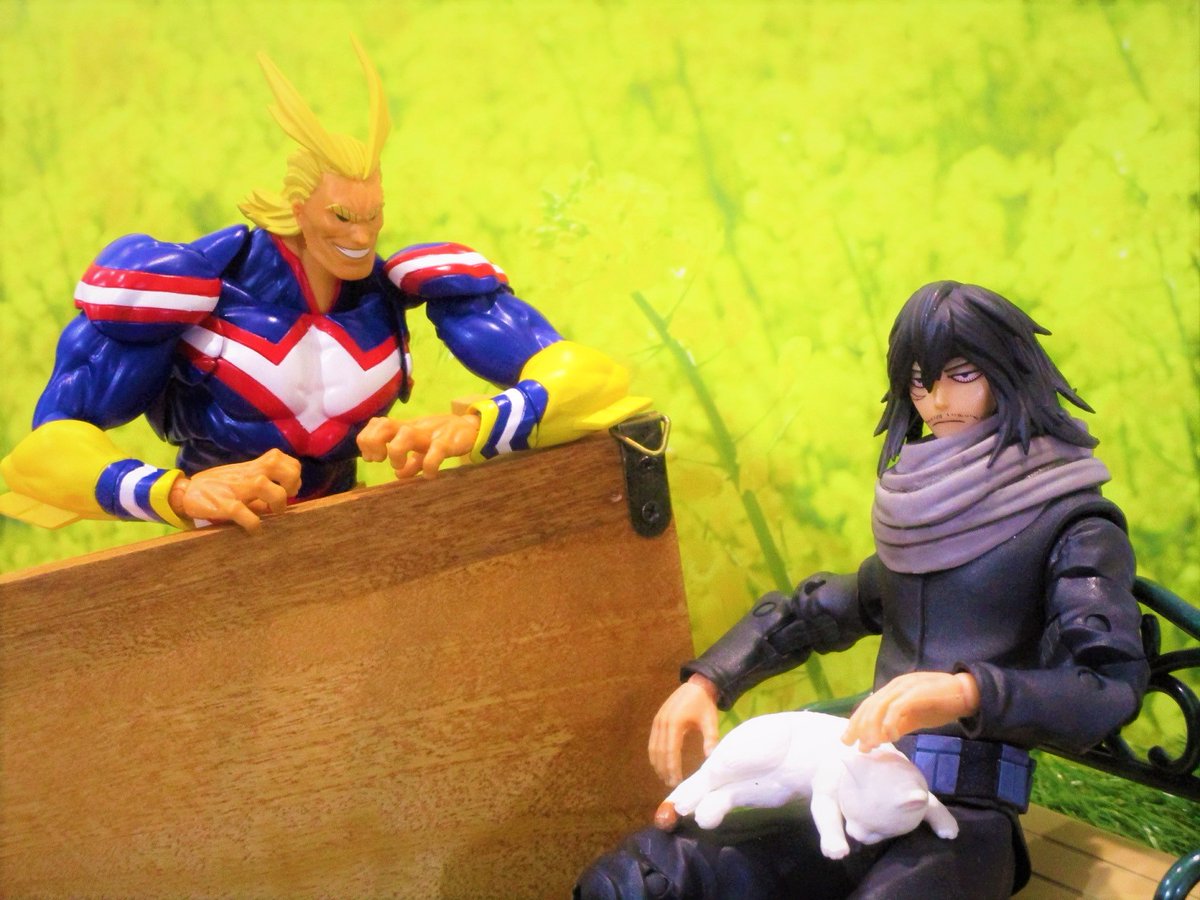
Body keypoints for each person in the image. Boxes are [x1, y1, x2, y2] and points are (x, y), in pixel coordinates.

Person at [575, 281, 1149, 899]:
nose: (937, 401)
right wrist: (709, 681)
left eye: (962, 375)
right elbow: (815, 610)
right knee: (640, 881)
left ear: (1010, 374)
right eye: (921, 382)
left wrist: (968, 691)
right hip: (849, 781)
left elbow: (1106, 685)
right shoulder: (922, 522)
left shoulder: (1073, 526)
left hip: (961, 815)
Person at [0, 41, 647, 532]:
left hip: (347, 533)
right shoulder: (182, 286)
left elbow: (596, 381)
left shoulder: (405, 286)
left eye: (374, 216)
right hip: (215, 547)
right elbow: (42, 452)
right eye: (341, 217)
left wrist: (477, 427)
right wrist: (178, 492)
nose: (362, 236)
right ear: (297, 208)